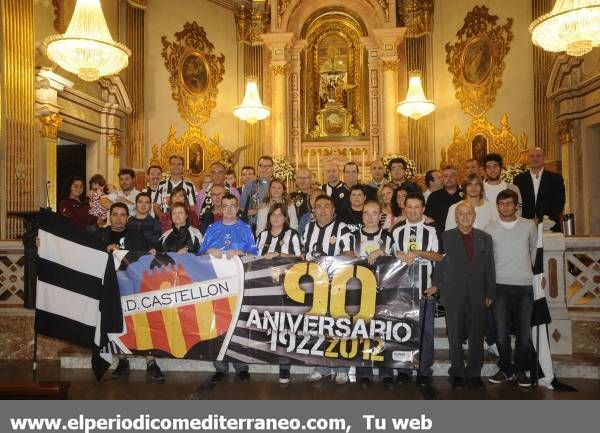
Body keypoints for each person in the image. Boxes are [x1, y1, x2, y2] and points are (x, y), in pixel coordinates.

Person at [95, 203, 165, 382]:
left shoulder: (135, 234)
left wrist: (148, 253)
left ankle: (151, 362)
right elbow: (84, 252)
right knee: (116, 323)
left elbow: (142, 258)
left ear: (128, 217)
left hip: (133, 289)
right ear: (109, 216)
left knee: (142, 323)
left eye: (122, 215)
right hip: (110, 289)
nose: (118, 218)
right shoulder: (101, 235)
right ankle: (122, 362)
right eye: (115, 214)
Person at [434, 201, 495, 389]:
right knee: (455, 335)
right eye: (462, 213)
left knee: (477, 335)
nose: (466, 216)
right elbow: (439, 264)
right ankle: (457, 372)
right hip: (454, 294)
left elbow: (490, 267)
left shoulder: (485, 238)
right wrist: (439, 287)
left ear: (474, 216)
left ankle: (474, 373)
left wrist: (490, 292)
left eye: (469, 213)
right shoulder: (446, 237)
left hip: (478, 294)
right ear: (456, 217)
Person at [199, 194, 258, 383]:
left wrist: (242, 252)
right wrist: (208, 251)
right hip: (216, 286)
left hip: (239, 286)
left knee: (239, 325)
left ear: (238, 207)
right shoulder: (212, 228)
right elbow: (199, 253)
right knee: (217, 326)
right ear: (220, 208)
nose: (229, 209)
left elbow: (255, 254)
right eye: (226, 206)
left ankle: (241, 366)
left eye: (233, 206)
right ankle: (220, 366)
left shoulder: (245, 228)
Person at [485, 189, 538, 388]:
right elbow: (488, 261)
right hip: (500, 286)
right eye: (501, 203)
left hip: (524, 286)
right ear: (497, 206)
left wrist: (537, 279)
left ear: (516, 205)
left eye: (509, 203)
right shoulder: (490, 229)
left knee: (524, 335)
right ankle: (506, 368)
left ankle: (521, 369)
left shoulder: (528, 226)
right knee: (501, 334)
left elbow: (534, 253)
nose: (505, 207)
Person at [389, 192, 442, 388]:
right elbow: (389, 257)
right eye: (409, 207)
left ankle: (424, 371)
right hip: (401, 291)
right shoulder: (396, 231)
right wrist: (399, 256)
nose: (412, 210)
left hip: (425, 289)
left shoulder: (432, 230)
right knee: (402, 331)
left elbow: (440, 257)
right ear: (404, 208)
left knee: (426, 333)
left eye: (416, 207)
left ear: (423, 209)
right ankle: (403, 369)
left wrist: (418, 253)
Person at [302, 195, 354, 384]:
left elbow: (349, 254)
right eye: (318, 207)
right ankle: (321, 367)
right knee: (319, 327)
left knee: (339, 326)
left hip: (338, 286)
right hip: (315, 287)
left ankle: (342, 368)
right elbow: (303, 254)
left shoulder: (342, 228)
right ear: (313, 211)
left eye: (326, 207)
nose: (322, 210)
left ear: (333, 210)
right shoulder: (308, 229)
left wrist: (328, 262)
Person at [255, 203, 302, 384]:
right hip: (263, 286)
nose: (276, 218)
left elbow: (300, 257)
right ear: (268, 218)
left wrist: (280, 255)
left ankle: (284, 367)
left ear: (285, 218)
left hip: (286, 287)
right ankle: (260, 358)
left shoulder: (292, 235)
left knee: (284, 327)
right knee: (263, 323)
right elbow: (254, 258)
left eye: (280, 215)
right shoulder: (262, 236)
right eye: (273, 215)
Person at [352, 200, 394, 388]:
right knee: (362, 331)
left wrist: (383, 252)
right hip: (359, 291)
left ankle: (386, 371)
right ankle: (364, 372)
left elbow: (397, 261)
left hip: (383, 291)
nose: (370, 217)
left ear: (380, 216)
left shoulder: (388, 238)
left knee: (383, 331)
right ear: (362, 216)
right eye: (366, 213)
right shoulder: (351, 237)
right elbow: (344, 259)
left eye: (374, 213)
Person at [513, 147, 565, 232]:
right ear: (528, 159)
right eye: (532, 156)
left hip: (550, 225)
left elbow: (559, 202)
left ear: (544, 158)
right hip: (525, 226)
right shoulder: (519, 179)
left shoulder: (556, 179)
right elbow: (517, 203)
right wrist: (528, 221)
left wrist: (541, 220)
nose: (535, 158)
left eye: (538, 156)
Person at [196, 162, 239, 231]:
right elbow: (198, 216)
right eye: (214, 172)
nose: (216, 175)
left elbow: (237, 214)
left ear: (225, 174)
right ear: (210, 175)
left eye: (220, 172)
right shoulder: (202, 193)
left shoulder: (233, 192)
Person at [425, 166, 463, 235]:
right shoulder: (433, 197)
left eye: (452, 175)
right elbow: (427, 217)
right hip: (439, 235)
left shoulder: (465, 195)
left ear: (457, 177)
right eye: (446, 176)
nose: (449, 178)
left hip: (462, 234)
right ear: (442, 179)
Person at [240, 156, 273, 229]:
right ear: (258, 168)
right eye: (262, 166)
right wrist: (257, 210)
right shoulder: (249, 185)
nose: (265, 169)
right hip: (253, 226)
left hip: (273, 226)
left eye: (268, 166)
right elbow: (241, 211)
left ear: (272, 168)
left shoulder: (277, 185)